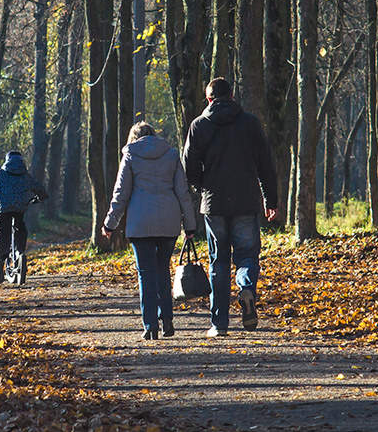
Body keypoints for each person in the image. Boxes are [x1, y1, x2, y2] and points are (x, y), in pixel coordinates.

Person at [182, 77, 279, 337]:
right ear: (232, 97)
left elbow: (188, 167)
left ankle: (219, 324)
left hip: (213, 204)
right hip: (246, 201)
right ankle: (246, 288)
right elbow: (266, 165)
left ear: (209, 99)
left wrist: (202, 187)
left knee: (219, 262)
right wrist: (271, 200)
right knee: (247, 255)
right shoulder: (250, 123)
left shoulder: (198, 126)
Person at [101, 122, 198, 340]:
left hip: (140, 223)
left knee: (146, 274)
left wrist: (110, 224)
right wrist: (190, 225)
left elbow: (121, 193)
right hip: (169, 221)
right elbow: (182, 192)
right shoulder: (171, 154)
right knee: (163, 269)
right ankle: (168, 320)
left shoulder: (130, 155)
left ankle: (150, 325)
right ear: (154, 135)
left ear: (133, 137)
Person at [0, 150, 48, 283]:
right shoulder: (25, 176)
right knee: (20, 228)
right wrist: (38, 198)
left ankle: (0, 260)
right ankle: (20, 254)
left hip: (3, 207)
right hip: (20, 207)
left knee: (3, 232)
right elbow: (41, 190)